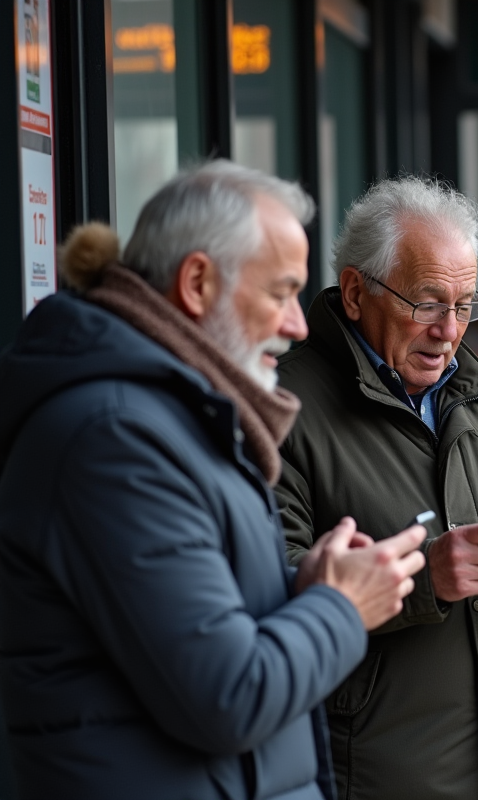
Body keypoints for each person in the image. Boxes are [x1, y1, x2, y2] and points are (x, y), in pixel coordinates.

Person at [0, 161, 427, 800]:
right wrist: (341, 607)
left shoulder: (173, 416)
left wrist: (304, 588)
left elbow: (192, 625)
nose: (298, 324)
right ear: (197, 283)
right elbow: (226, 695)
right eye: (281, 292)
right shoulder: (117, 436)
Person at [274, 177, 478, 800]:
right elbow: (268, 582)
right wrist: (425, 577)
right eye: (426, 304)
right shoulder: (282, 408)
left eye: (465, 306)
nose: (449, 331)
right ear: (353, 292)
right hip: (375, 774)